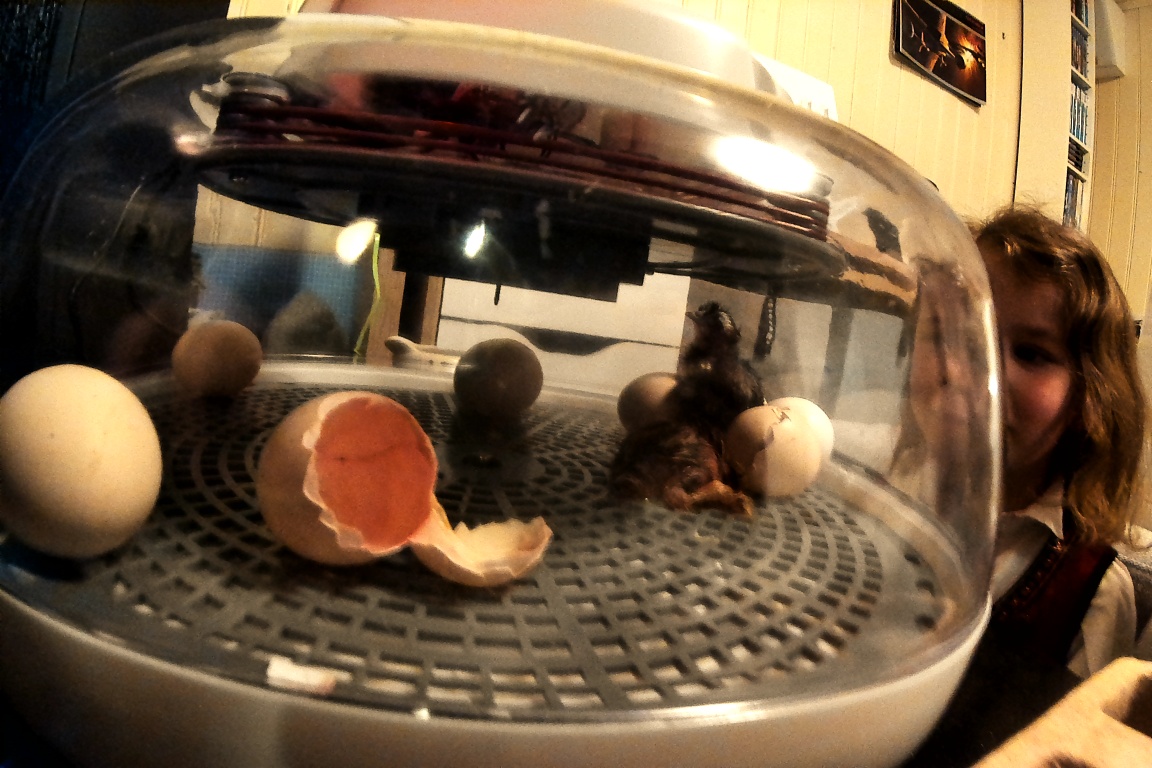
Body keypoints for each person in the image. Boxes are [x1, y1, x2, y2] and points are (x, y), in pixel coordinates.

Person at [974, 205, 1146, 678]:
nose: (984, 371)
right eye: (963, 332)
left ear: (1087, 403)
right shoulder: (887, 498)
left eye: (1031, 353)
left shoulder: (1094, 594)